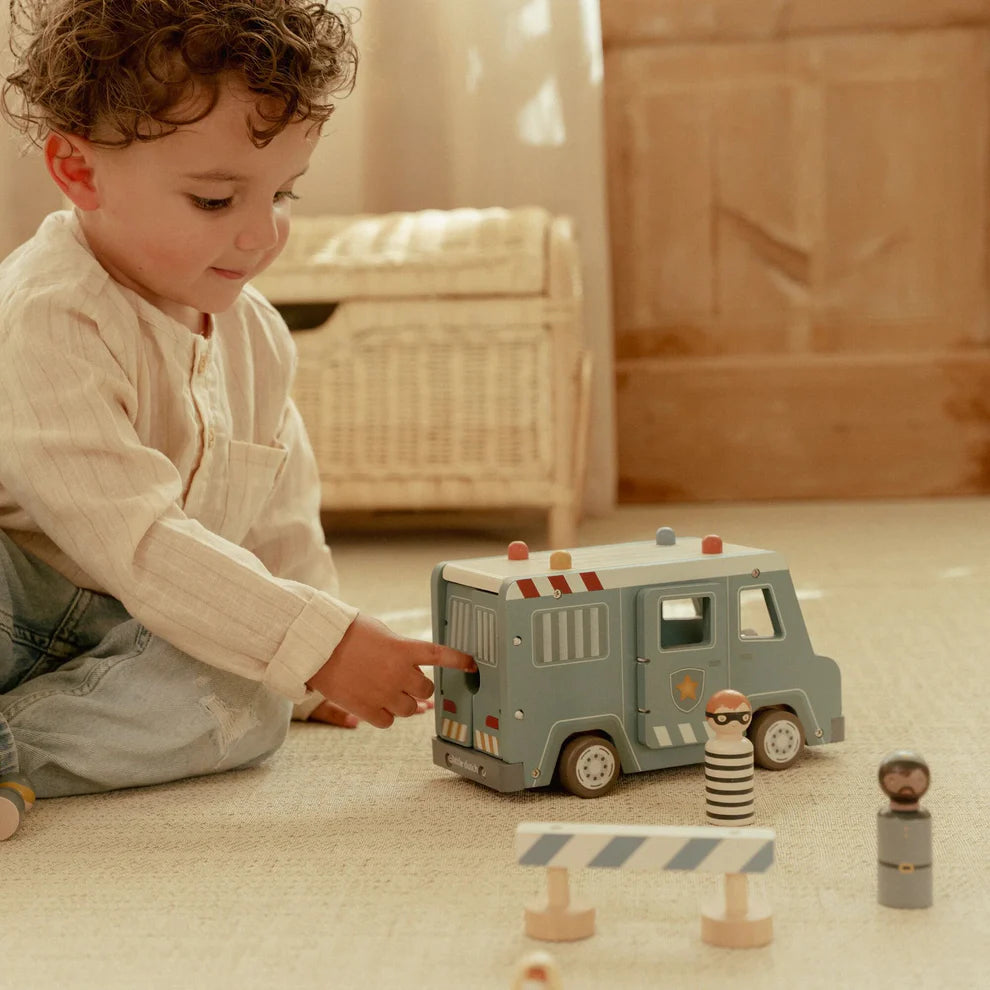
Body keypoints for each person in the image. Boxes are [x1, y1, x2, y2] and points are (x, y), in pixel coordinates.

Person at [0, 0, 475, 805]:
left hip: (131, 631)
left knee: (250, 705)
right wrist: (318, 645)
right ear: (79, 172)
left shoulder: (254, 335)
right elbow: (138, 540)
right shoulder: (49, 313)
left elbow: (279, 527)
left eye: (284, 194)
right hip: (19, 597)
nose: (261, 236)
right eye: (216, 203)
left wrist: (314, 663)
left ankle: (19, 747)